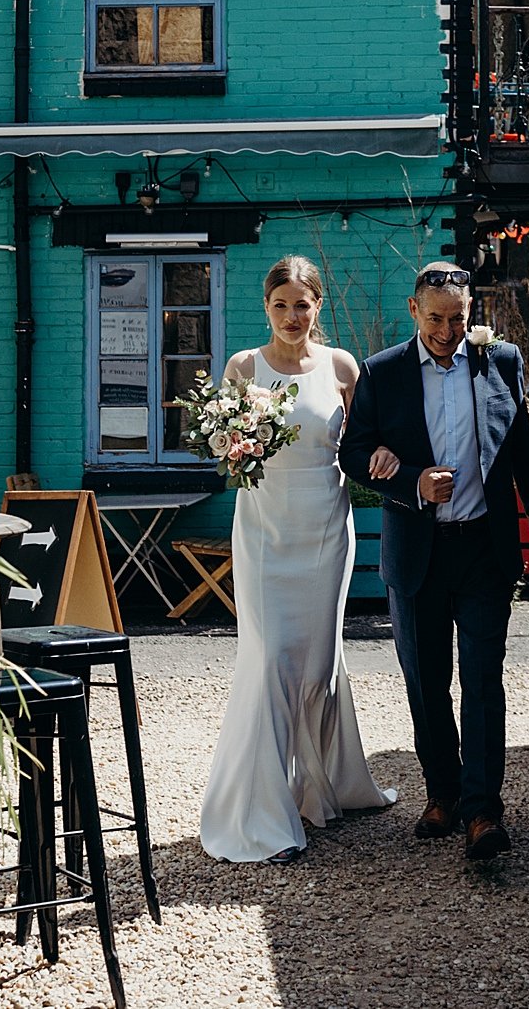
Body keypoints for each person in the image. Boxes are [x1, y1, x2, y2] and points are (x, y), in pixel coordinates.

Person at [337, 262, 529, 860]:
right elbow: (353, 454)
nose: (446, 330)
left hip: (484, 552)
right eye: (435, 318)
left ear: (472, 314)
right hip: (417, 554)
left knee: (484, 682)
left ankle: (482, 812)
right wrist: (411, 479)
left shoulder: (501, 362)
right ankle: (441, 793)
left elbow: (524, 455)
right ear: (414, 311)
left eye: (458, 318)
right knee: (427, 683)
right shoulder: (382, 373)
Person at [197, 257, 397, 862]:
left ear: (318, 306)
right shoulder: (242, 367)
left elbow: (363, 443)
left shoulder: (341, 367)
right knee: (270, 659)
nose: (291, 316)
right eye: (280, 305)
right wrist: (232, 440)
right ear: (266, 307)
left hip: (326, 532)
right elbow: (220, 449)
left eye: (302, 305)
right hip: (263, 531)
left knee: (317, 662)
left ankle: (319, 787)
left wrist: (387, 456)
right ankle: (261, 814)